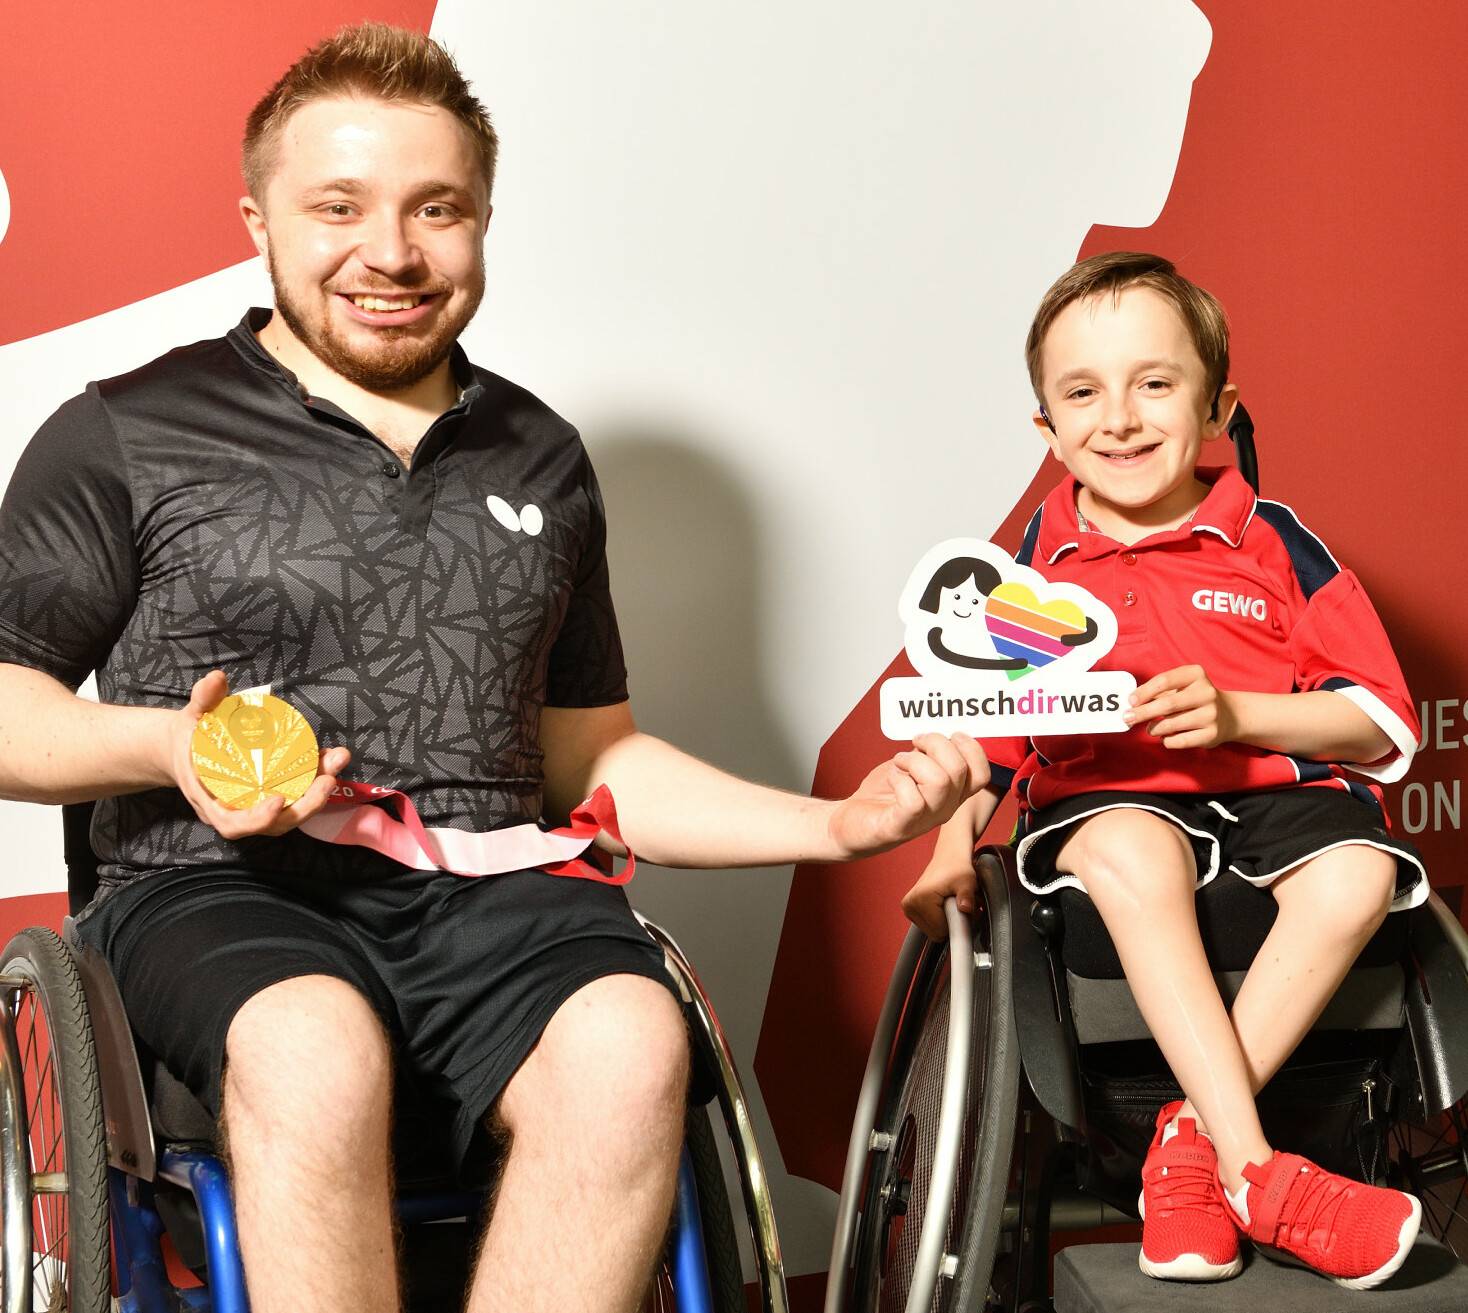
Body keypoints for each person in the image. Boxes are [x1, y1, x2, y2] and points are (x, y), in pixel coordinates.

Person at [0, 24, 987, 1313]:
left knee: (637, 1041)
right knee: (310, 1042)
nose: (392, 252)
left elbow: (590, 754)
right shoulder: (127, 429)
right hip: (212, 890)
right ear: (257, 221)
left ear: (482, 219)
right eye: (337, 206)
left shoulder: (540, 455)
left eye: (437, 208)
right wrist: (165, 748)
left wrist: (839, 823)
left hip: (488, 897)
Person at [903, 251, 1426, 1288]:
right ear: (1046, 430)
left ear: (1216, 405)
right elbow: (984, 739)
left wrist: (1240, 711)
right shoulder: (1025, 578)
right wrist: (944, 848)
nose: (1122, 417)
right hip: (1108, 804)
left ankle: (1191, 1153)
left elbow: (1376, 720)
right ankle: (1262, 1172)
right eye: (1083, 392)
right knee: (1134, 844)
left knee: (1361, 871)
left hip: (1271, 796)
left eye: (1155, 382)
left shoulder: (1274, 540)